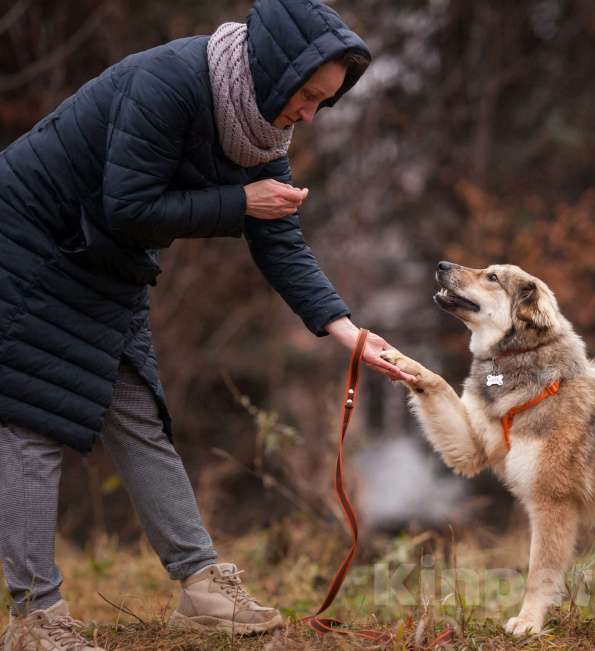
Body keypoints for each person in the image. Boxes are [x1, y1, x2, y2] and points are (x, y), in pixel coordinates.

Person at [0, 0, 413, 648]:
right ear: (277, 70)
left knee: (138, 412)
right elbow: (129, 202)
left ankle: (199, 585)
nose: (309, 113)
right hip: (29, 245)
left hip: (105, 262)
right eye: (306, 95)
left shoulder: (259, 132)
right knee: (33, 422)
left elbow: (280, 239)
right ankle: (35, 615)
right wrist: (240, 201)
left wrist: (344, 328)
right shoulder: (171, 82)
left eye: (322, 102)